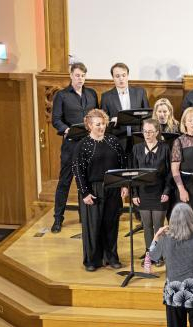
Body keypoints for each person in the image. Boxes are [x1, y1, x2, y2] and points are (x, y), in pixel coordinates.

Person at [72, 109, 126, 272]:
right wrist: (85, 192)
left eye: (103, 124)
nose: (101, 127)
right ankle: (92, 260)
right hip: (92, 189)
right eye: (98, 124)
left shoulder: (113, 140)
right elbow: (78, 170)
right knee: (93, 226)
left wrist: (124, 184)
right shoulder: (82, 145)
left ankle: (111, 257)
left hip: (113, 187)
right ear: (89, 125)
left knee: (111, 224)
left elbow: (123, 163)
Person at [50, 62, 99, 234]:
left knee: (86, 181)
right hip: (71, 145)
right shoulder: (62, 96)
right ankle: (58, 219)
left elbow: (97, 116)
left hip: (89, 144)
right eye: (77, 75)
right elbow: (55, 120)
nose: (80, 79)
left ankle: (84, 216)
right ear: (71, 75)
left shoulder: (91, 94)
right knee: (65, 182)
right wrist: (66, 129)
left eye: (83, 76)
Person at [131, 118, 172, 259]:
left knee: (158, 225)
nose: (147, 134)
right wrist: (134, 193)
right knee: (146, 225)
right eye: (145, 131)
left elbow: (169, 172)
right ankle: (150, 252)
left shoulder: (165, 147)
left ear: (157, 132)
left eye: (150, 132)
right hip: (143, 192)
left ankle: (159, 254)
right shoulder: (136, 148)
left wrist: (167, 191)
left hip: (160, 192)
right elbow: (134, 172)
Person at [101, 62, 150, 157]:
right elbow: (103, 120)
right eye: (117, 76)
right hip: (117, 138)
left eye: (124, 75)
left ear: (128, 75)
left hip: (138, 137)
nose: (121, 79)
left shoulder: (140, 92)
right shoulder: (106, 97)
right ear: (113, 78)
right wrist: (111, 120)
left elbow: (147, 115)